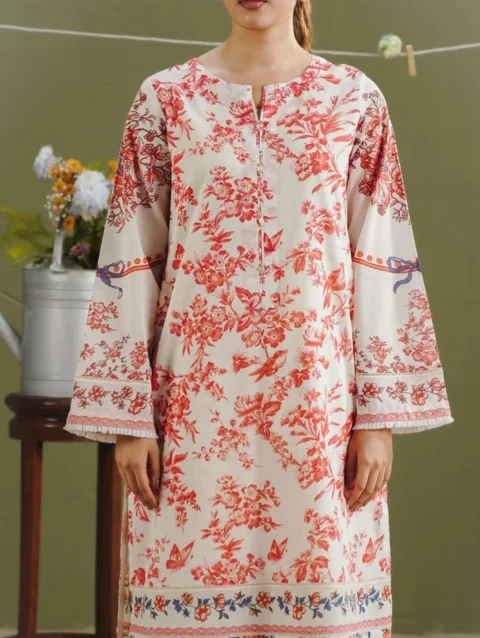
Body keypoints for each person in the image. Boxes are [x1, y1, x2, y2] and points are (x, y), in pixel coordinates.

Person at [65, 1, 454, 636]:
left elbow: (383, 257)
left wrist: (378, 419)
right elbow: (130, 261)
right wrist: (129, 420)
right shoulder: (164, 101)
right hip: (192, 412)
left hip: (320, 411)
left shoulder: (354, 99)